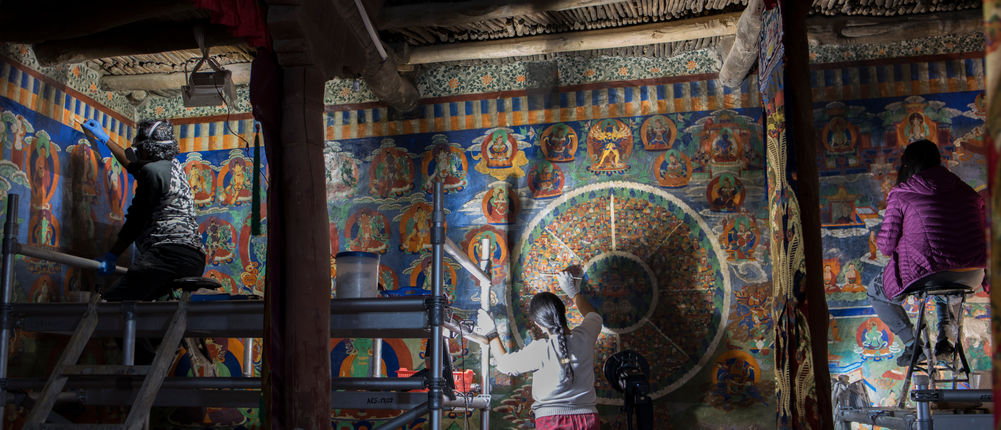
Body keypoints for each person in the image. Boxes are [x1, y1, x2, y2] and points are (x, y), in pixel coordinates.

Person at [868, 140, 987, 367]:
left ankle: (913, 345)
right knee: (940, 275)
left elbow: (884, 246)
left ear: (909, 164)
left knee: (875, 291)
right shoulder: (968, 191)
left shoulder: (902, 193)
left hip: (929, 273)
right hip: (972, 274)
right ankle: (945, 339)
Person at [82, 119, 206, 301]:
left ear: (147, 149)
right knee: (145, 308)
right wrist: (105, 139)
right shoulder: (174, 167)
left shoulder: (153, 172)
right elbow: (133, 166)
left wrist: (112, 255)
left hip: (167, 256)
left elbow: (136, 221)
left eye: (138, 148)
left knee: (113, 304)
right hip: (194, 258)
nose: (135, 152)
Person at [476, 268, 602, 430]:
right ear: (563, 313)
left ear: (538, 324)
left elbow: (504, 365)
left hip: (552, 421)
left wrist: (491, 332)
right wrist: (573, 292)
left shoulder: (541, 349)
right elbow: (594, 316)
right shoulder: (585, 336)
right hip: (589, 420)